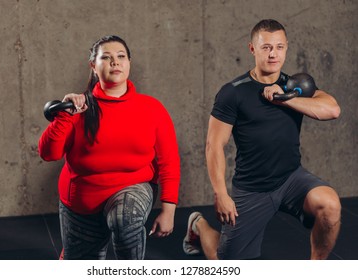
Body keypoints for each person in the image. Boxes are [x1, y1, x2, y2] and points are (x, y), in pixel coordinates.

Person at [183, 19, 341, 260]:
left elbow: (332, 110)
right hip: (252, 188)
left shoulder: (295, 86)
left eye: (279, 47)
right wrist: (220, 194)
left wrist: (284, 98)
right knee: (226, 263)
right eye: (266, 47)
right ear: (252, 49)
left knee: (330, 206)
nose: (273, 54)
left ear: (286, 48)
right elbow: (214, 145)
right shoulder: (233, 92)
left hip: (291, 178)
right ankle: (198, 226)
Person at [38, 35, 180, 260]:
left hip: (133, 187)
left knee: (125, 218)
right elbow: (49, 154)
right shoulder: (78, 107)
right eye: (106, 57)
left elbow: (169, 162)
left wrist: (168, 210)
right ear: (93, 66)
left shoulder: (151, 108)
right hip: (81, 200)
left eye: (121, 56)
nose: (115, 62)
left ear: (129, 63)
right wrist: (64, 115)